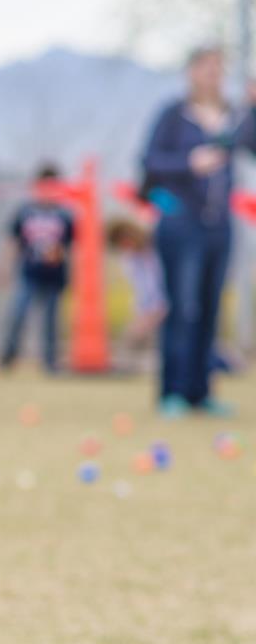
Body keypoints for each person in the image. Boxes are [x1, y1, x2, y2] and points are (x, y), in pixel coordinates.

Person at [140, 44, 256, 416]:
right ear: (191, 71)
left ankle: (200, 391)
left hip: (218, 226)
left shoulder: (233, 117)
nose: (213, 74)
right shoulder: (174, 115)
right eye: (206, 67)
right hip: (180, 224)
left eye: (218, 68)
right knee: (182, 306)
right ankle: (172, 391)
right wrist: (190, 163)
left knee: (209, 307)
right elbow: (149, 161)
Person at [0, 164, 76, 375]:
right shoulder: (25, 211)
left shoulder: (66, 214)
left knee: (51, 321)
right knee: (19, 314)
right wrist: (2, 267)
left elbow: (74, 247)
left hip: (56, 276)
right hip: (29, 273)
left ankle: (50, 362)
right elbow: (11, 242)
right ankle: (8, 357)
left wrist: (67, 263)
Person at [108, 217, 167, 375]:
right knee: (132, 337)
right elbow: (141, 288)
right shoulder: (130, 259)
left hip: (164, 304)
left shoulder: (157, 250)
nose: (125, 247)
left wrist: (158, 309)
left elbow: (159, 284)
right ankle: (126, 368)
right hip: (148, 308)